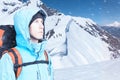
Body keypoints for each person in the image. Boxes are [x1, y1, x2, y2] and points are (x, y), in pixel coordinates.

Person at [0, 8, 53, 80]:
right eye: (36, 22)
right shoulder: (10, 58)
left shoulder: (45, 55)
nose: (41, 26)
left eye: (42, 22)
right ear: (25, 26)